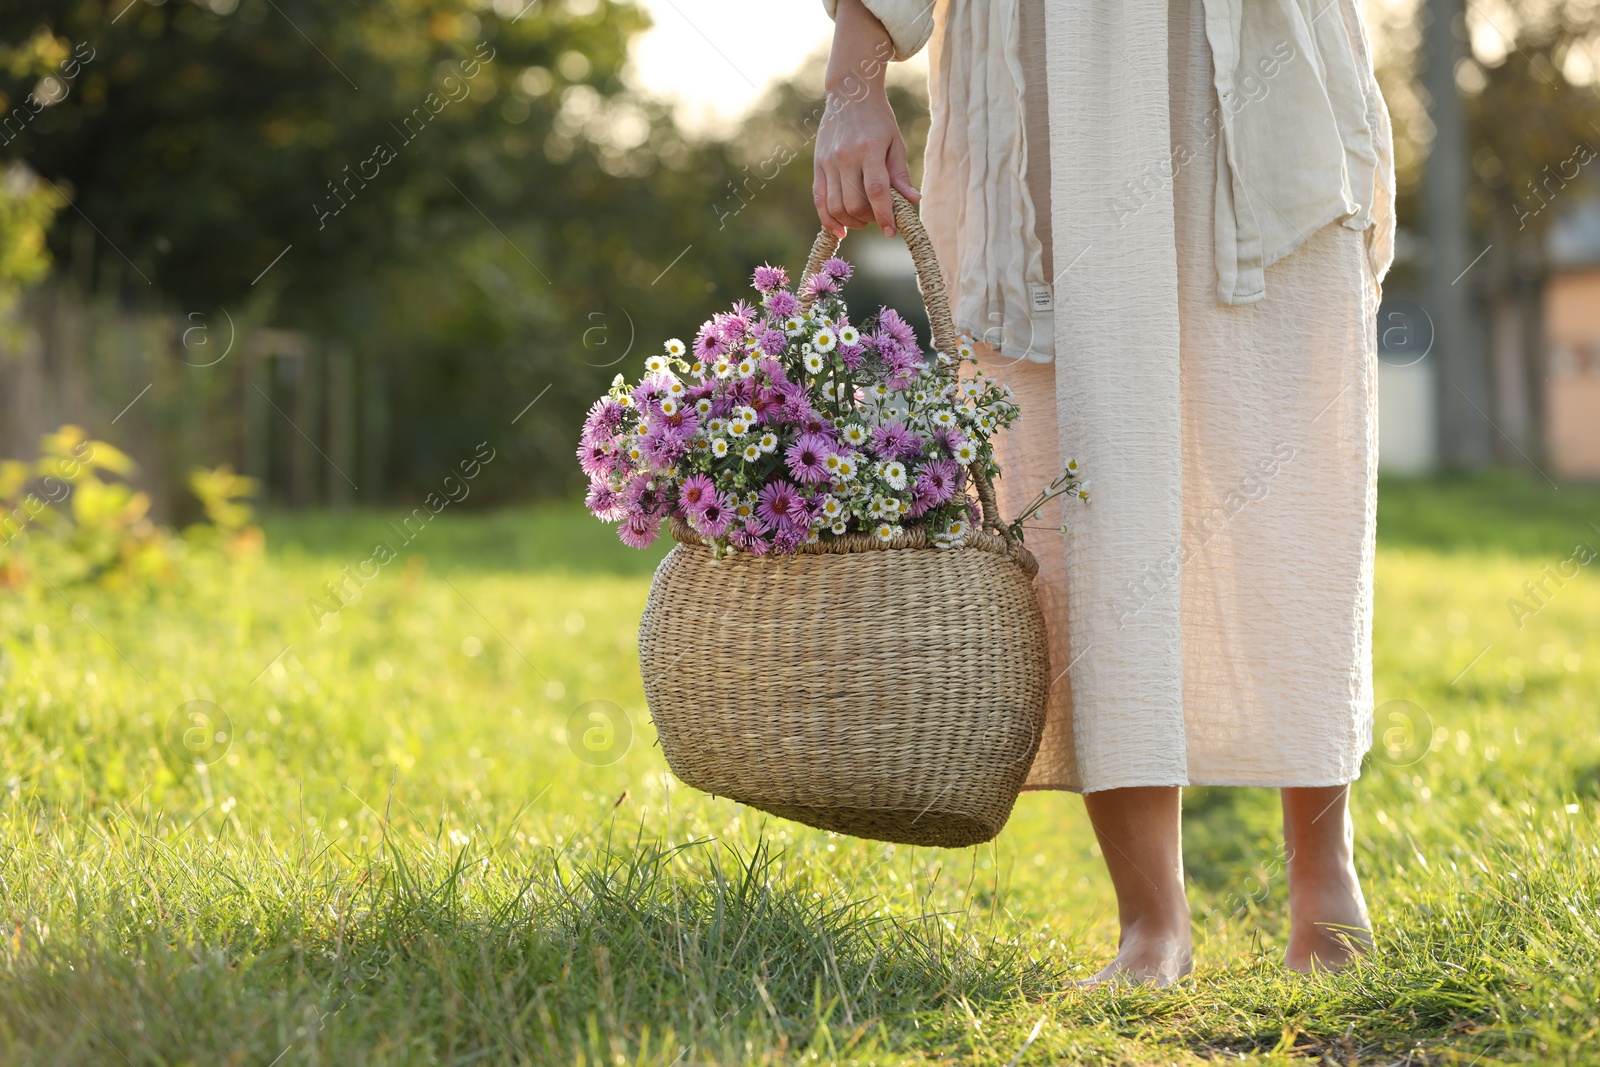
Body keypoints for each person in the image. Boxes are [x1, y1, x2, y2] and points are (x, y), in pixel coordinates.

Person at [815, 0, 1396, 983]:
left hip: (1261, 65)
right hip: (1054, 76)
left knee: (1290, 477)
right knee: (1084, 478)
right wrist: (851, 88)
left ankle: (1324, 886)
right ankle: (1150, 922)